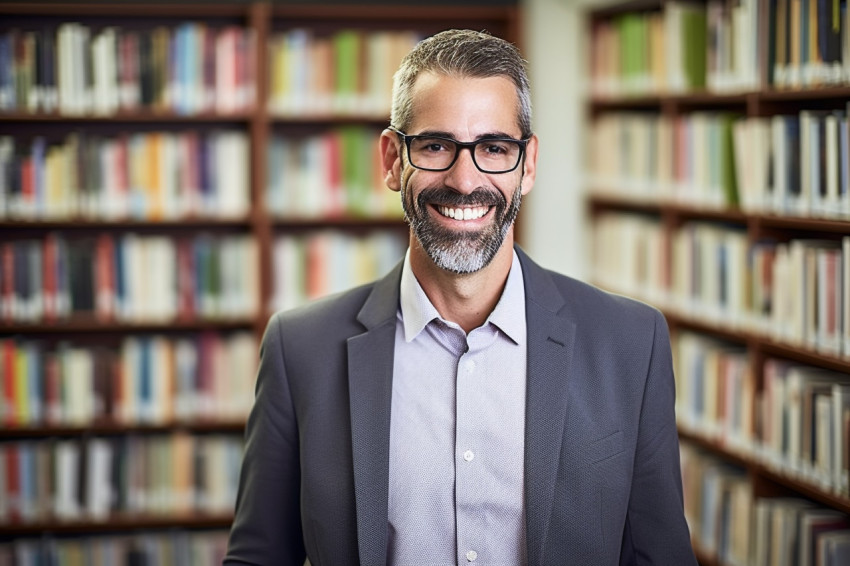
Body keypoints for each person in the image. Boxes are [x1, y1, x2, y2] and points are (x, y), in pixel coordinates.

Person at [224, 29, 697, 566]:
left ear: (529, 165)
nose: (465, 179)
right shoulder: (300, 349)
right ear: (391, 160)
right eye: (435, 145)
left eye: (494, 148)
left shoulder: (631, 343)